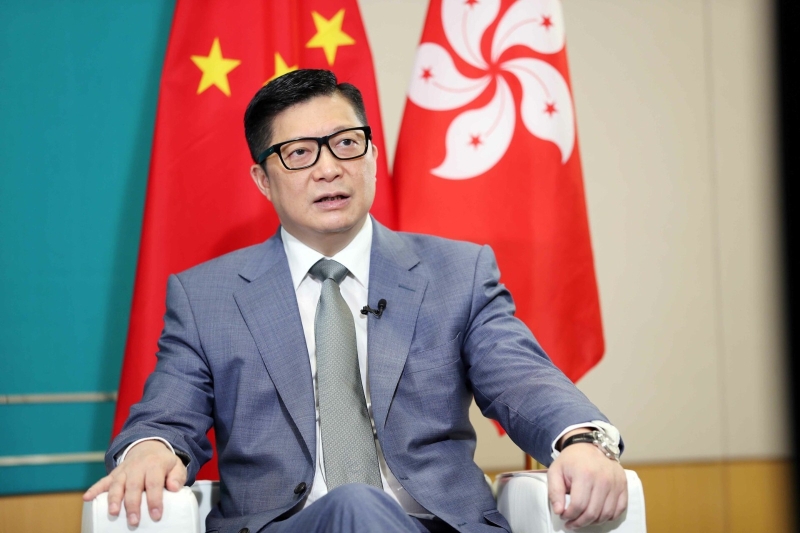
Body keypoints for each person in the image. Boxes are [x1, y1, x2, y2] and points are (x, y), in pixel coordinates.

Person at [84, 69, 627, 533]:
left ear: (371, 155)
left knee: (365, 509)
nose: (329, 168)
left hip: (435, 524)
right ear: (262, 180)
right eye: (299, 153)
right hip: (287, 526)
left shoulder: (456, 274)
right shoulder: (208, 297)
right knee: (355, 506)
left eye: (346, 143)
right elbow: (168, 412)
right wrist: (151, 448)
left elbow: (520, 378)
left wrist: (580, 440)